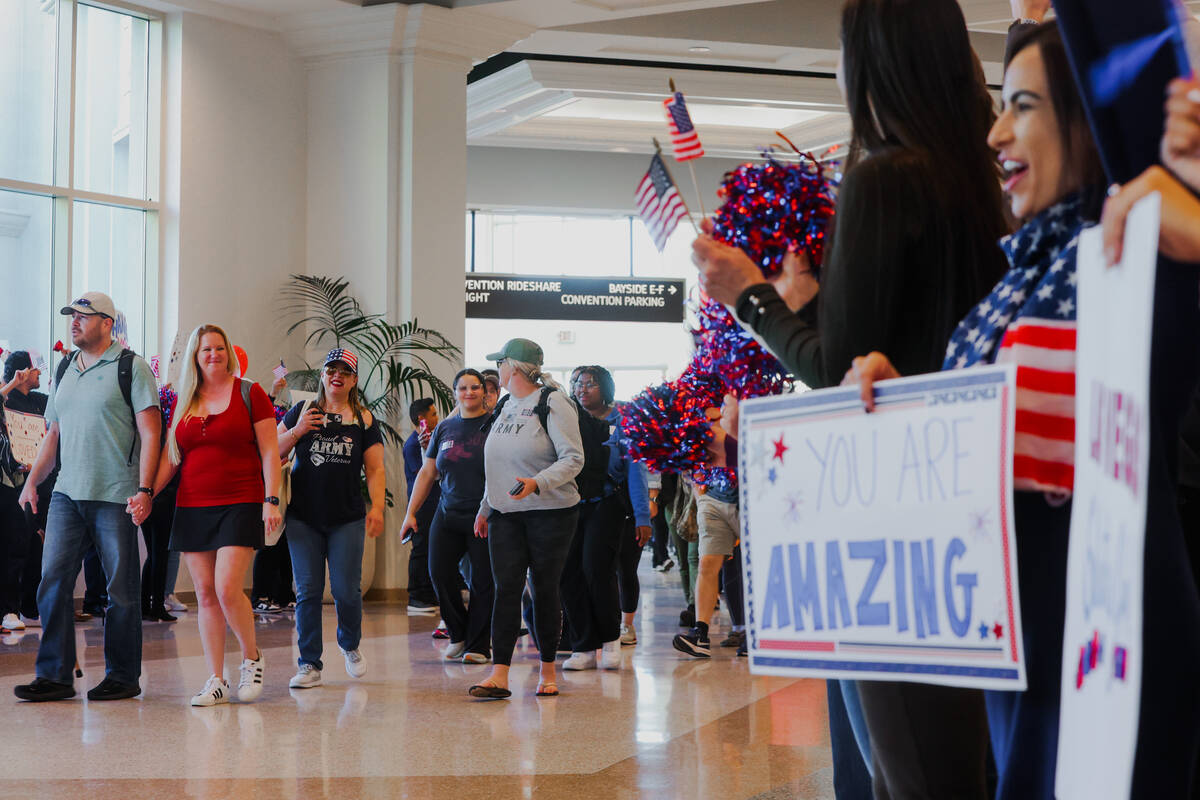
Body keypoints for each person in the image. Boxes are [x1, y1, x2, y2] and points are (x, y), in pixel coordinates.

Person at [691, 0, 1010, 793]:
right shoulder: (981, 183)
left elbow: (842, 373)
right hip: (973, 512)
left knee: (898, 763)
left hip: (884, 523)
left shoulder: (885, 179)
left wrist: (753, 297)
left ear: (866, 59)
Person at [847, 22, 1106, 798]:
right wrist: (913, 393)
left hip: (1083, 631)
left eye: (1023, 106)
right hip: (1009, 623)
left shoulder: (1120, 252)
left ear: (1093, 117)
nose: (996, 130)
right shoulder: (1035, 260)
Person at [14, 292, 161, 702]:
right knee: (52, 582)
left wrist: (145, 490)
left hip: (116, 495)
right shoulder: (65, 368)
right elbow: (53, 435)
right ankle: (56, 676)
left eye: (83, 316)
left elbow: (151, 433)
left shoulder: (131, 367)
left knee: (121, 590)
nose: (74, 322)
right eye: (72, 316)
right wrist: (32, 482)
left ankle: (122, 675)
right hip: (67, 493)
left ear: (106, 323)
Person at [149, 324, 281, 706]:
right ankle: (216, 679)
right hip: (193, 505)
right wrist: (146, 495)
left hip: (240, 500)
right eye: (206, 349)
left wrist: (270, 500)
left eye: (219, 348)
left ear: (229, 352)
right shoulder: (186, 399)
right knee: (205, 594)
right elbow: (171, 458)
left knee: (226, 587)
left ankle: (252, 658)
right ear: (195, 354)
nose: (213, 354)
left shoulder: (250, 392)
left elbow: (270, 451)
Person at [468, 338, 583, 699]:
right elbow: (497, 464)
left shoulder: (553, 402)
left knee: (545, 588)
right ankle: (499, 673)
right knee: (506, 591)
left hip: (551, 513)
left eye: (499, 364)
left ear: (512, 367)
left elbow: (573, 458)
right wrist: (487, 506)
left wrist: (538, 483)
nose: (496, 371)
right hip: (506, 514)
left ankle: (548, 669)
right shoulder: (505, 405)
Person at [279, 348, 385, 688]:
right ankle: (309, 664)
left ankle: (350, 645)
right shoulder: (302, 410)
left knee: (346, 590)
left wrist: (379, 509)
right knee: (307, 591)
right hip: (303, 517)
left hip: (347, 518)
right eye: (331, 370)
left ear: (353, 380)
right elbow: (271, 450)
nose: (336, 375)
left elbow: (376, 468)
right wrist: (296, 430)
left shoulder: (364, 419)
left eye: (344, 371)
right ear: (322, 376)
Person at [559, 365, 649, 670]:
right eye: (578, 383)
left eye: (591, 384)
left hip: (608, 503)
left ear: (605, 388)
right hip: (570, 503)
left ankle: (611, 640)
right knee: (569, 572)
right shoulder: (568, 419)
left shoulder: (622, 419)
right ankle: (582, 646)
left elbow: (636, 470)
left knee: (597, 569)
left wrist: (642, 516)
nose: (582, 389)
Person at [402, 369, 493, 664]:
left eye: (475, 387)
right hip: (448, 512)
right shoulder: (445, 428)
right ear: (454, 393)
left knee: (482, 580)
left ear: (484, 392)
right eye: (463, 388)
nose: (469, 392)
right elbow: (428, 472)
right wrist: (410, 513)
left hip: (484, 514)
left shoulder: (494, 425)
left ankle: (479, 645)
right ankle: (458, 634)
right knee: (438, 571)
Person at [1, 352, 50, 630]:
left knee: (29, 545)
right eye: (35, 370)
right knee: (11, 546)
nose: (40, 374)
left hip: (28, 482)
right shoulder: (6, 397)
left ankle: (25, 608)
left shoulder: (37, 401)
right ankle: (9, 610)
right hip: (7, 483)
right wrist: (10, 384)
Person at [403, 398, 440, 616]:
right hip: (421, 507)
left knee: (430, 549)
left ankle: (428, 593)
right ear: (422, 419)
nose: (438, 418)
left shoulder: (429, 442)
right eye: (434, 414)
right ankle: (417, 597)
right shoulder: (413, 445)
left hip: (434, 504)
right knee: (420, 549)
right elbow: (423, 475)